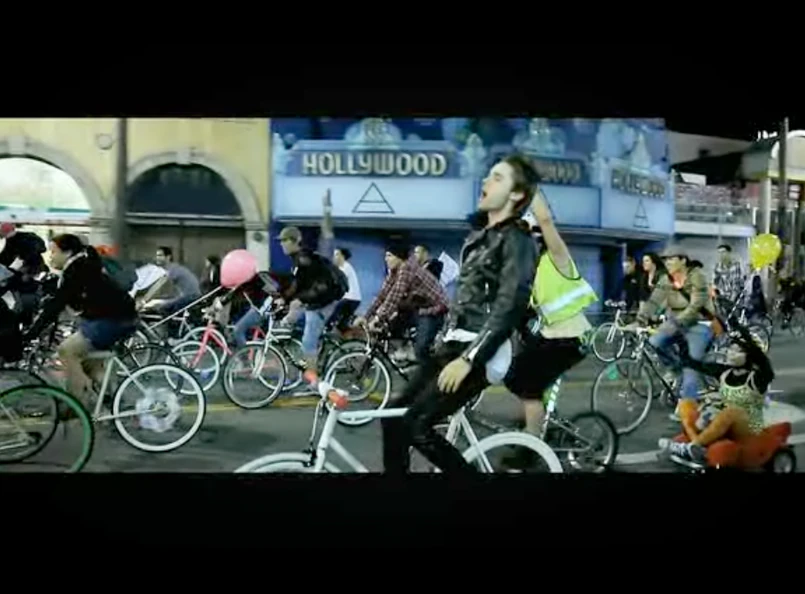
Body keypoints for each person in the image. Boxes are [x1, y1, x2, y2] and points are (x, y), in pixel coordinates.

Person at [381, 153, 538, 475]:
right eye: (488, 175)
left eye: (497, 177)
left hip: (482, 351)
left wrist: (468, 359)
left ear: (516, 194)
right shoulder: (480, 238)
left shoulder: (518, 241)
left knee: (418, 426)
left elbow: (509, 307)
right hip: (454, 344)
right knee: (393, 417)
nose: (486, 181)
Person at [501, 189, 597, 467]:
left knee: (528, 384)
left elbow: (545, 222)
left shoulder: (558, 258)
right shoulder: (532, 269)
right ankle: (537, 420)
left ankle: (533, 447)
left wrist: (531, 192)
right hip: (549, 337)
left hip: (572, 339)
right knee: (513, 374)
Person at [23, 234, 138, 405]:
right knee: (89, 364)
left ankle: (76, 405)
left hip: (112, 320)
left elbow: (57, 304)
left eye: (54, 252)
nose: (50, 256)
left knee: (66, 351)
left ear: (68, 252)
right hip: (119, 318)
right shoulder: (82, 264)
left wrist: (32, 333)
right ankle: (116, 400)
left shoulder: (77, 269)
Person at [658, 321, 773, 463]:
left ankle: (692, 446)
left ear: (748, 355)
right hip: (723, 422)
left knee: (731, 412)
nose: (730, 353)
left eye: (737, 351)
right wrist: (680, 340)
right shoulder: (724, 372)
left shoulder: (758, 377)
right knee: (686, 404)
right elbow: (693, 363)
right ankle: (695, 447)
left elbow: (761, 359)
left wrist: (741, 331)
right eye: (730, 350)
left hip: (747, 427)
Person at [631, 245, 716, 414]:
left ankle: (687, 408)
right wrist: (640, 320)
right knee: (654, 341)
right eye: (665, 259)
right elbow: (654, 301)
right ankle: (676, 370)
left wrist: (677, 322)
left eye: (671, 259)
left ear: (683, 260)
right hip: (676, 322)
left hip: (699, 324)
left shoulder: (697, 276)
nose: (667, 262)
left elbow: (695, 305)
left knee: (691, 368)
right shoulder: (666, 279)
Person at [276, 190, 345, 382]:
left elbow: (328, 236)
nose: (281, 245)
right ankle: (310, 364)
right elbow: (297, 286)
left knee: (308, 341)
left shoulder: (306, 259)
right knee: (298, 324)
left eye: (284, 241)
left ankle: (314, 383)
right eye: (280, 241)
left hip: (325, 300)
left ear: (294, 241)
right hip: (316, 300)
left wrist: (327, 210)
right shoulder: (298, 260)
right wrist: (284, 299)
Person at [355, 243, 449, 363]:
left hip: (434, 309)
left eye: (389, 255)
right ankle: (404, 349)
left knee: (421, 350)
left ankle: (428, 369)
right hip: (418, 307)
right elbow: (382, 295)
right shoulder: (394, 271)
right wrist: (366, 316)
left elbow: (394, 296)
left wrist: (377, 318)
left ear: (399, 257)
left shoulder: (407, 268)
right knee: (389, 328)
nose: (386, 259)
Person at [0, 222, 47, 326]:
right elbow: (5, 259)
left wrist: (23, 261)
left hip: (30, 277)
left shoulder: (27, 239)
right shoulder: (11, 242)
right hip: (22, 277)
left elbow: (40, 249)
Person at [139, 246, 202, 317]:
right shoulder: (173, 268)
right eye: (157, 255)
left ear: (168, 257)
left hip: (190, 297)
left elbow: (158, 285)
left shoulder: (172, 269)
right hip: (190, 296)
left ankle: (169, 324)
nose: (157, 258)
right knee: (160, 303)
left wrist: (144, 301)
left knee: (162, 308)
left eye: (160, 255)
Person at [329, 247, 362, 332]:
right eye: (334, 255)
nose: (334, 257)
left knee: (334, 314)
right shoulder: (341, 268)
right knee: (342, 324)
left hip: (351, 298)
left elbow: (337, 283)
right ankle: (348, 337)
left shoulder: (346, 267)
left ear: (342, 256)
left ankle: (326, 330)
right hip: (353, 299)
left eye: (337, 254)